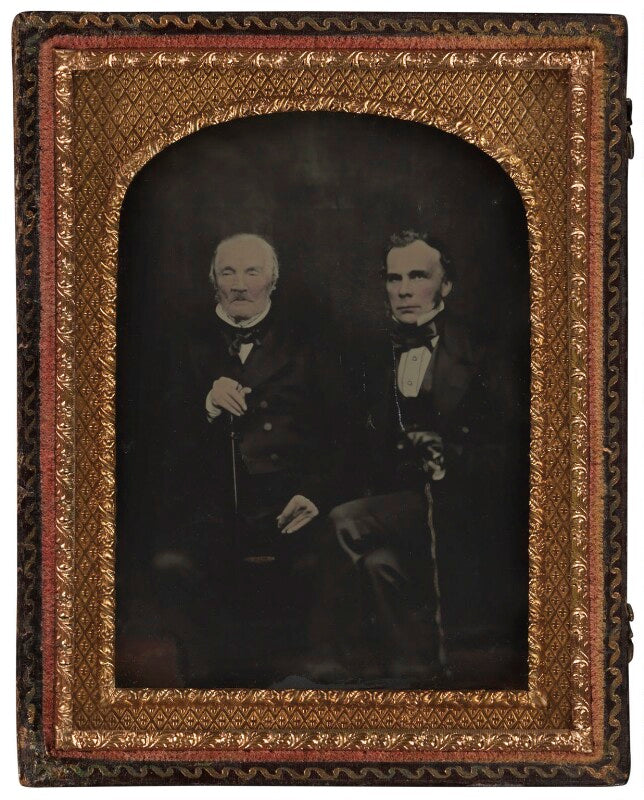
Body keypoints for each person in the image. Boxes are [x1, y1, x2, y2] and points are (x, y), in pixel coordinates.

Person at [119, 233, 345, 688]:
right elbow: (147, 441)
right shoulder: (179, 342)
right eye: (228, 272)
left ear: (273, 281)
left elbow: (343, 438)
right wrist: (204, 405)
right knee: (180, 576)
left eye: (252, 272)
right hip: (207, 513)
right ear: (213, 281)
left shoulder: (310, 342)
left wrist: (315, 495)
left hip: (290, 511)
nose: (240, 284)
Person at [325, 230, 529, 687]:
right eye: (394, 278)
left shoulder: (482, 353)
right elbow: (347, 446)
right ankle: (413, 683)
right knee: (378, 566)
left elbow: (518, 453)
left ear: (446, 285)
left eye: (418, 276)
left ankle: (334, 668)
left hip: (461, 509)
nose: (404, 290)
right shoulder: (370, 353)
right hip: (393, 506)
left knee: (345, 523)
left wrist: (448, 456)